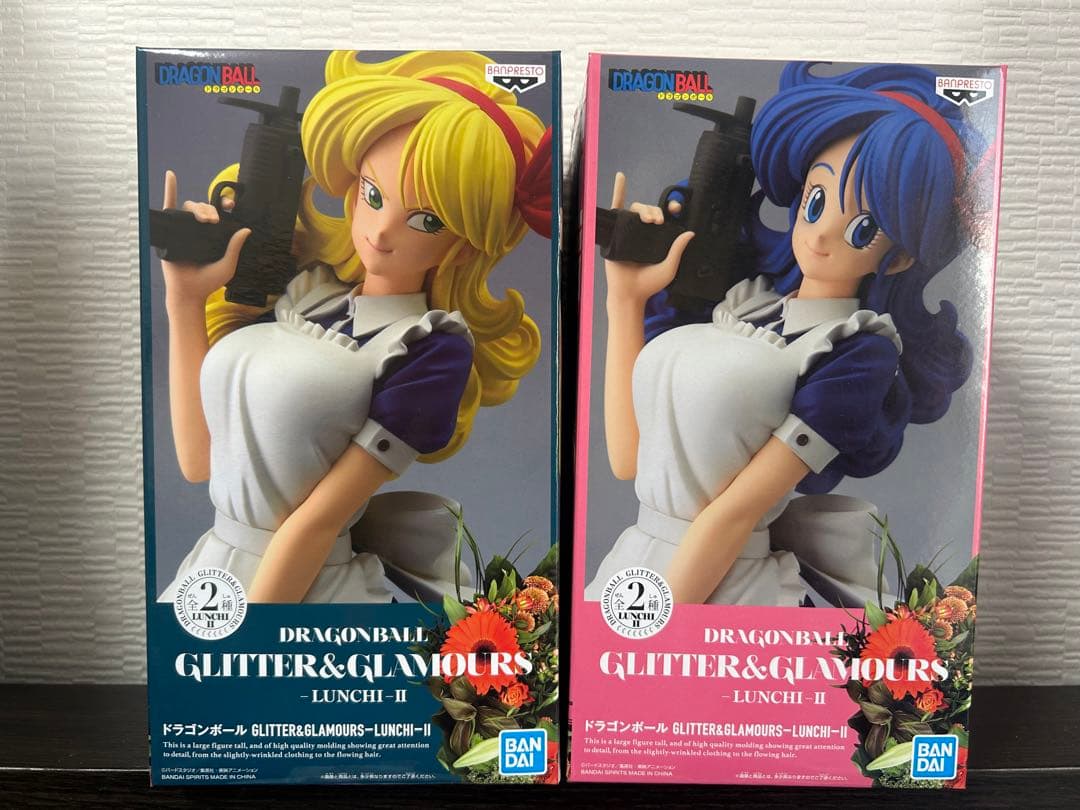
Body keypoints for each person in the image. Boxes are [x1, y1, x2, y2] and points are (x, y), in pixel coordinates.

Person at [158, 50, 551, 604]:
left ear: (463, 244)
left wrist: (257, 635)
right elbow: (199, 461)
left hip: (305, 591)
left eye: (426, 220)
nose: (383, 231)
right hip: (212, 573)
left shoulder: (429, 348)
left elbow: (318, 522)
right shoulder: (305, 290)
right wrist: (184, 298)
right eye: (373, 193)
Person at [586, 63, 976, 606]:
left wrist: (661, 623)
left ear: (900, 257)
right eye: (817, 201)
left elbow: (735, 512)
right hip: (636, 564)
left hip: (723, 588)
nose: (821, 234)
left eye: (863, 228)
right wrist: (624, 300)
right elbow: (629, 459)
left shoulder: (857, 351)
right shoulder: (742, 301)